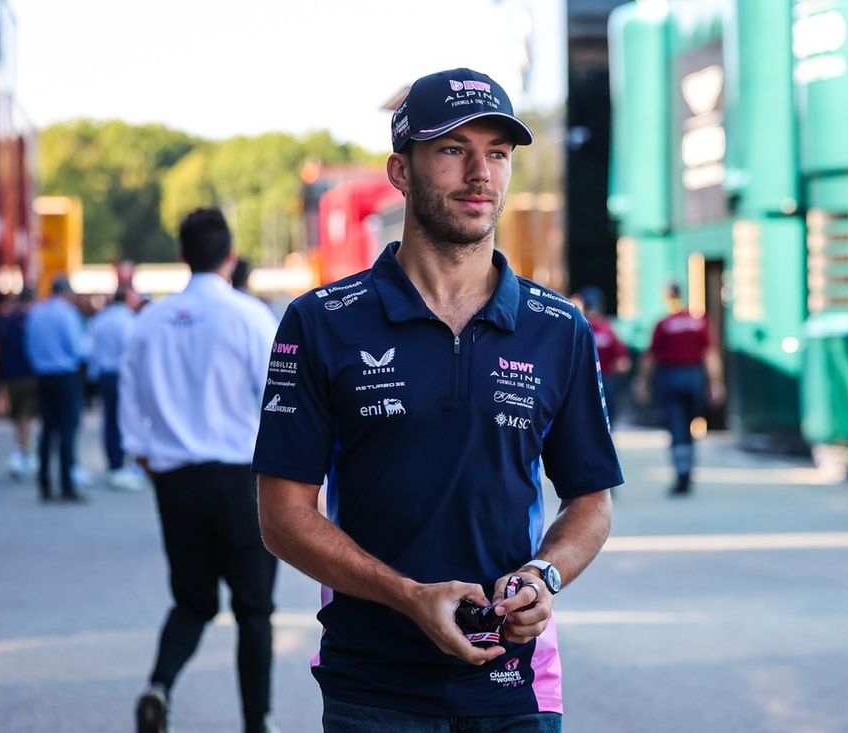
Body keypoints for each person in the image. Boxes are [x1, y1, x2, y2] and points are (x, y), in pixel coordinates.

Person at [253, 68, 623, 733]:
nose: (481, 172)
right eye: (454, 150)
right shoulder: (321, 321)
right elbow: (283, 516)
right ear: (402, 170)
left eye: (499, 153)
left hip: (516, 682)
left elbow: (591, 500)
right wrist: (409, 596)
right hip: (373, 683)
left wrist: (544, 574)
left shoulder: (558, 328)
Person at [120, 208, 280, 733]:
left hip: (176, 480)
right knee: (254, 611)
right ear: (229, 256)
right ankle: (256, 722)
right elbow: (278, 404)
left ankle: (158, 686)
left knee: (191, 600)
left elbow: (129, 406)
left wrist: (150, 460)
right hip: (241, 481)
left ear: (182, 255)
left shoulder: (149, 320)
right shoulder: (251, 317)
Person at [634, 282, 725, 495]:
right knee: (690, 425)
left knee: (676, 426)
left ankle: (681, 473)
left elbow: (651, 357)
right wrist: (716, 383)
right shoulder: (698, 322)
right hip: (693, 376)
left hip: (670, 376)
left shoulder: (663, 324)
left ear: (667, 296)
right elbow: (710, 355)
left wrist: (642, 381)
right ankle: (688, 470)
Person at [25, 276, 88, 502]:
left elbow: (30, 346)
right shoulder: (67, 314)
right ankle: (66, 485)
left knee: (47, 432)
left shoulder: (36, 313)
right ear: (66, 292)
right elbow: (77, 348)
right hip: (65, 376)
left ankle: (44, 483)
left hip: (43, 377)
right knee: (67, 433)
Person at [88, 288, 141, 490]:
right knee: (123, 422)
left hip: (104, 375)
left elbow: (92, 349)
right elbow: (130, 353)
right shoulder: (127, 321)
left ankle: (114, 465)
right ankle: (121, 467)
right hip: (120, 375)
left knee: (110, 421)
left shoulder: (102, 319)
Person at [0, 287, 38, 477]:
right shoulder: (34, 320)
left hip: (12, 374)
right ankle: (22, 451)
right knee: (25, 416)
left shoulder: (9, 319)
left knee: (18, 415)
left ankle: (21, 449)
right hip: (29, 373)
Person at [574, 285, 630, 424]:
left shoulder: (577, 328)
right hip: (605, 381)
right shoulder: (608, 330)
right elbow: (623, 363)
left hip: (582, 382)